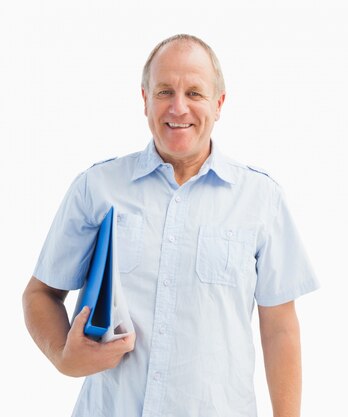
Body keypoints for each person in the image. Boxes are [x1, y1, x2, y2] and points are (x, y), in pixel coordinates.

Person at [22, 34, 319, 417]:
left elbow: (280, 329)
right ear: (145, 99)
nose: (178, 107)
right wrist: (63, 357)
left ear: (219, 103)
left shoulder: (262, 199)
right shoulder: (96, 188)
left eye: (194, 93)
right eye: (165, 91)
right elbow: (40, 293)